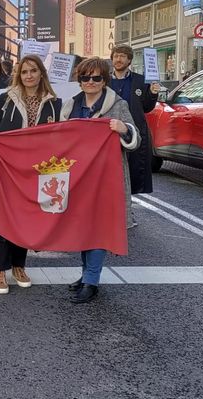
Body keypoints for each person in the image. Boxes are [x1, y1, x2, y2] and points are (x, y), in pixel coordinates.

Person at [0, 55, 62, 294]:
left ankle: (18, 265)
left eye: (33, 71)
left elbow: (63, 132)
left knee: (26, 218)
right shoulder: (6, 98)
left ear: (41, 73)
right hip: (7, 168)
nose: (29, 76)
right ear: (19, 75)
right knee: (3, 218)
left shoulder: (55, 102)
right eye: (24, 72)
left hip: (36, 171)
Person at [60, 57, 140, 303]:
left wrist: (123, 129)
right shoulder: (70, 106)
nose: (91, 82)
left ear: (104, 80)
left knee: (98, 229)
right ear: (80, 81)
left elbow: (135, 139)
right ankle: (86, 275)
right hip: (79, 177)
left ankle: (91, 281)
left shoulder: (117, 104)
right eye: (86, 78)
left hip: (106, 178)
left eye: (96, 78)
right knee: (83, 227)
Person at [109, 45, 158, 210]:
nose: (119, 59)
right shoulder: (103, 80)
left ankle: (125, 209)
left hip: (131, 133)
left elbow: (146, 107)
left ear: (129, 60)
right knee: (109, 172)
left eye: (123, 56)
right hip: (109, 131)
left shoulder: (140, 80)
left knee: (130, 170)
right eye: (116, 56)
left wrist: (152, 94)